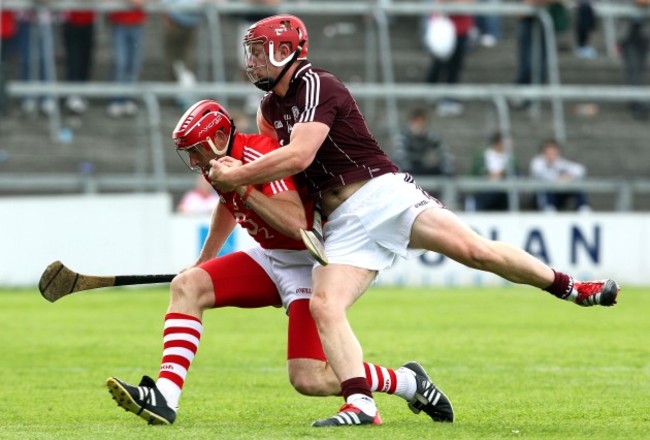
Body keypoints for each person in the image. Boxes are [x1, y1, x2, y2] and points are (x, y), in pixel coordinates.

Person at [209, 14, 621, 427]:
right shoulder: (268, 109)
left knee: (475, 250)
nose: (254, 62)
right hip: (341, 223)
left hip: (380, 194)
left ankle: (569, 287)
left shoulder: (317, 84)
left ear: (287, 51)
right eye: (253, 53)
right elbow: (288, 178)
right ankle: (361, 405)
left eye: (260, 52)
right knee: (324, 305)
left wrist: (237, 175)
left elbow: (299, 156)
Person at [106, 100, 450, 425]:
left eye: (196, 150)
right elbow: (227, 204)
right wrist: (205, 258)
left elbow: (298, 225)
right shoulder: (217, 163)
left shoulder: (261, 154)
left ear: (219, 137)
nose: (195, 162)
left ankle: (407, 382)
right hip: (272, 259)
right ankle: (164, 396)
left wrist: (242, 186)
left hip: (309, 264)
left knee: (308, 378)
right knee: (188, 285)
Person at [424, 0, 474, 117]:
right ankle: (432, 88)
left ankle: (449, 99)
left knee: (454, 66)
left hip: (460, 29)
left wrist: (455, 6)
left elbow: (468, 4)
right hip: (442, 27)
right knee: (438, 63)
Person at [106, 0, 148, 118]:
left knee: (134, 64)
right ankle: (116, 100)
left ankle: (128, 98)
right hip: (119, 22)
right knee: (120, 63)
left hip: (137, 22)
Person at [529, 139, 589, 211]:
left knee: (578, 184)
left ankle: (583, 208)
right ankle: (548, 209)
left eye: (553, 151)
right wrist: (557, 178)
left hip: (559, 193)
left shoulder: (560, 162)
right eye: (548, 151)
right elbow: (540, 173)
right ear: (543, 152)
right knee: (545, 186)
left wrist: (569, 176)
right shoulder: (538, 161)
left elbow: (580, 169)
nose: (551, 153)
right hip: (541, 196)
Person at [392, 107, 455, 177]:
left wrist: (448, 169)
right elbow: (400, 159)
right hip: (404, 171)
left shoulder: (429, 136)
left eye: (421, 122)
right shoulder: (402, 137)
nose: (419, 125)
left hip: (419, 168)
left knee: (440, 172)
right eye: (416, 122)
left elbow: (444, 152)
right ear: (410, 122)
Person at [468, 131, 518, 211]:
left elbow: (515, 173)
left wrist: (502, 174)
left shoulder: (510, 158)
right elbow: (475, 172)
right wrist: (488, 175)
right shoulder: (483, 156)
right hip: (484, 191)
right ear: (499, 142)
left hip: (503, 192)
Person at [619, 0, 650, 121]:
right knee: (633, 67)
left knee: (639, 68)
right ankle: (636, 102)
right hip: (628, 32)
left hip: (643, 31)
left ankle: (637, 100)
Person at [61, 9, 96, 114]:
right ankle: (73, 95)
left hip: (88, 22)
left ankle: (82, 94)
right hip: (71, 22)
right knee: (74, 60)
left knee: (86, 60)